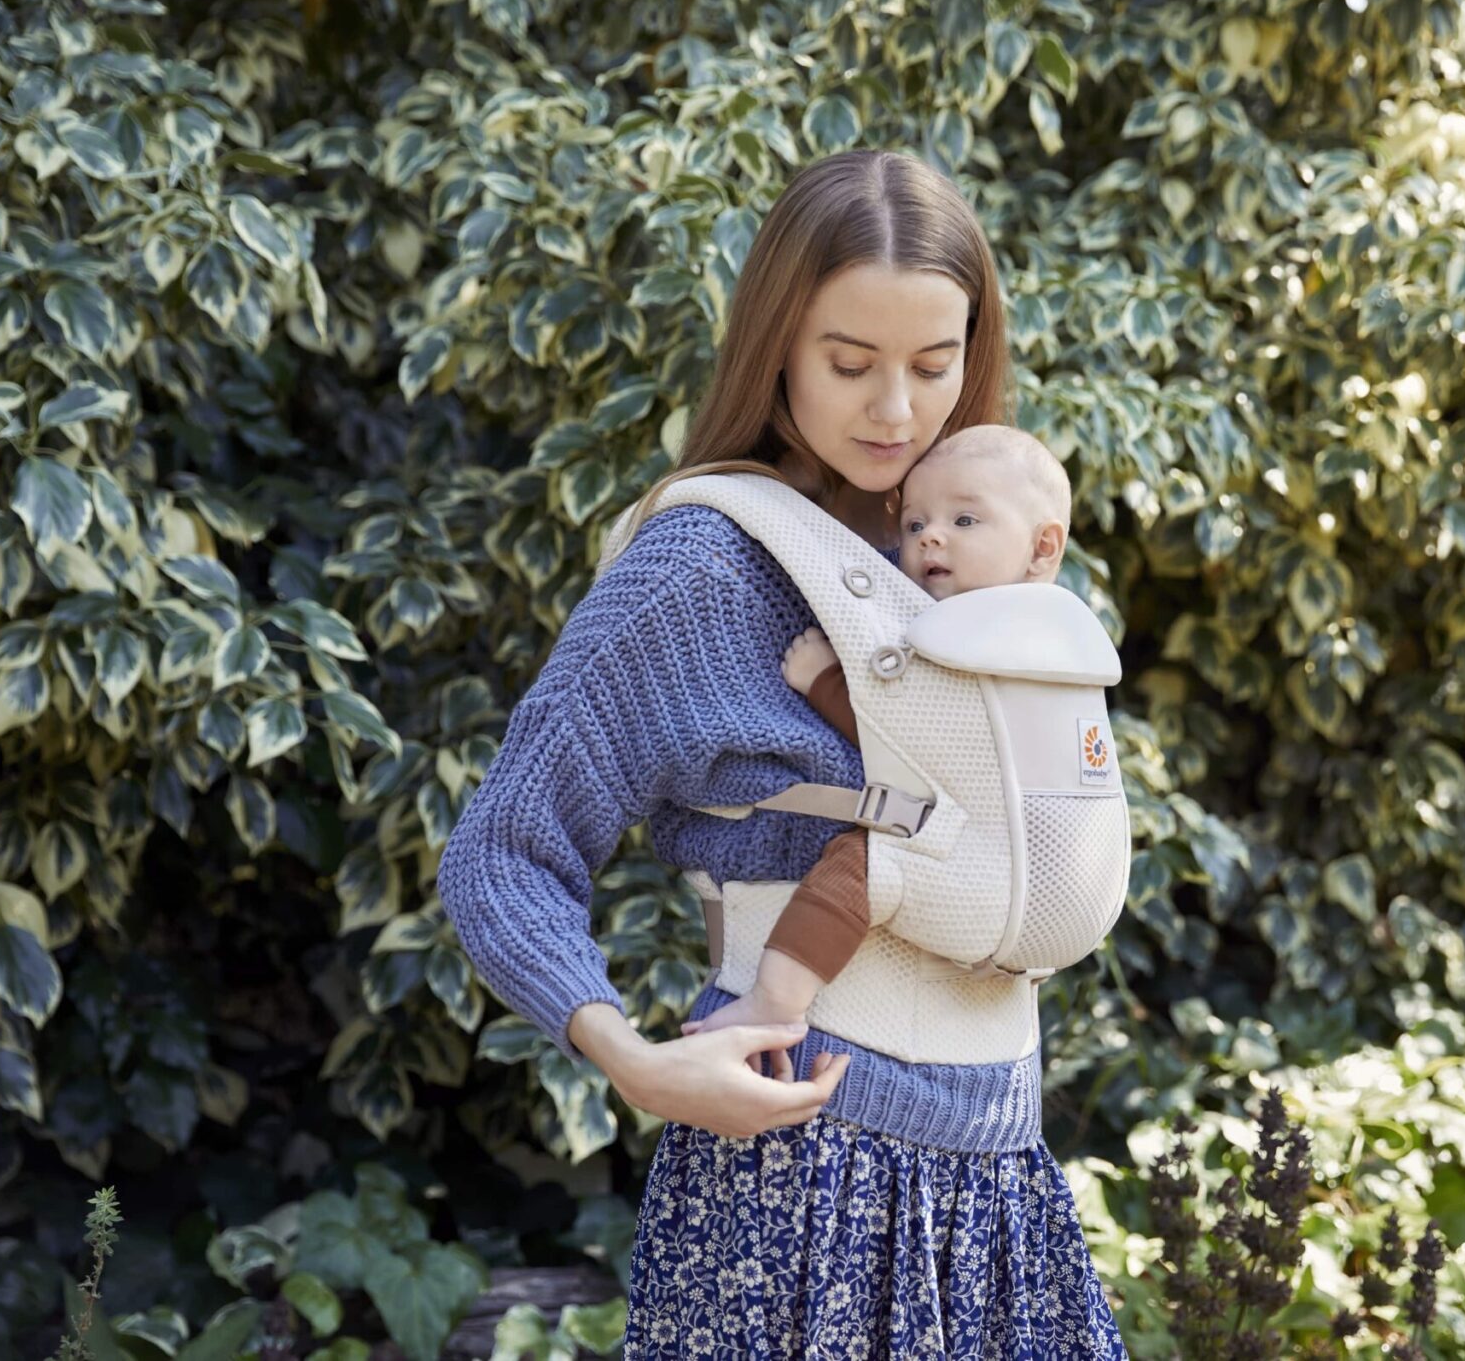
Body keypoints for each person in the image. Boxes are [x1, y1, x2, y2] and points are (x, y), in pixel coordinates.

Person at [436, 150, 1128, 1357]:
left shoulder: (978, 564)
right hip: (795, 1179)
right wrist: (632, 1061)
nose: (896, 412)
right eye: (849, 364)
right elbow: (501, 855)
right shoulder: (699, 571)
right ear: (776, 346)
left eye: (933, 365)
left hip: (994, 1185)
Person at [677, 424, 1074, 1044]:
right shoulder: (1064, 637)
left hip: (986, 866)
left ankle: (777, 999)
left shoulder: (983, 639)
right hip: (1051, 883)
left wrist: (823, 683)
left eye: (965, 521)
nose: (931, 536)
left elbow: (910, 740)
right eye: (914, 525)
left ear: (1042, 547)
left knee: (860, 860)